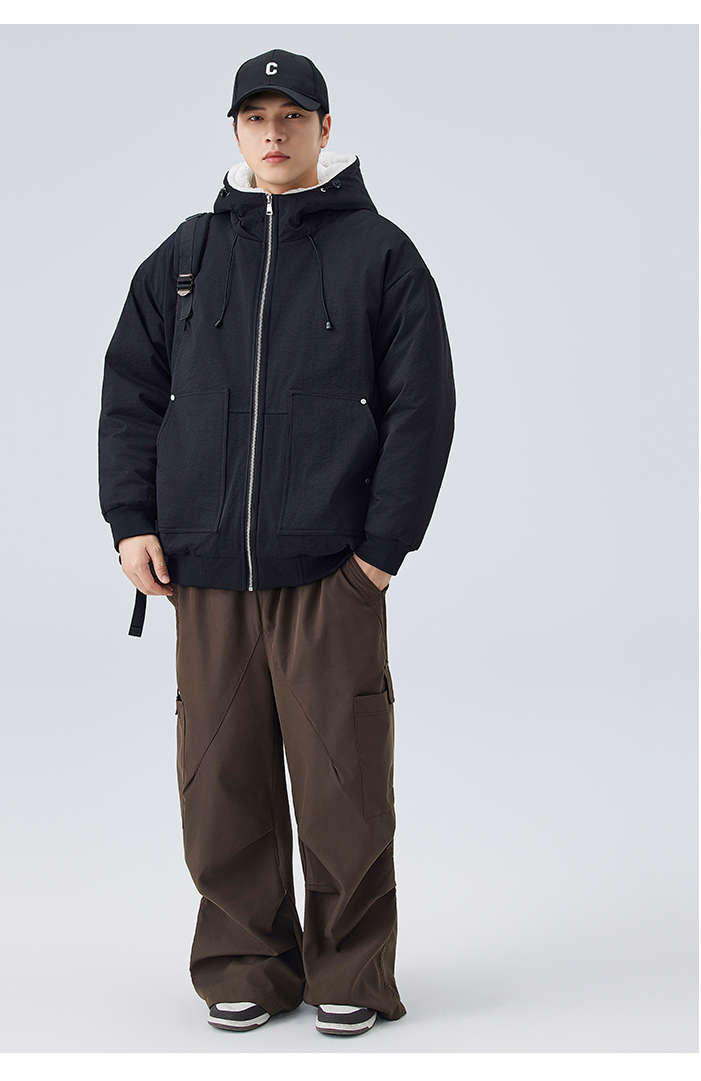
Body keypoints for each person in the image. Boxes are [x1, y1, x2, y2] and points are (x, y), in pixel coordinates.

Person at [98, 47, 455, 1037]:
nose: (273, 132)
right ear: (235, 130)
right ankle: (246, 964)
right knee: (221, 784)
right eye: (255, 116)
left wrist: (378, 554)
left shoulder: (380, 254)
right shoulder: (184, 256)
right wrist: (132, 521)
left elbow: (422, 410)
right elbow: (131, 394)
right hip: (205, 573)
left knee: (344, 783)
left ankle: (351, 968)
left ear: (323, 129)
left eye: (291, 116)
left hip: (330, 572)